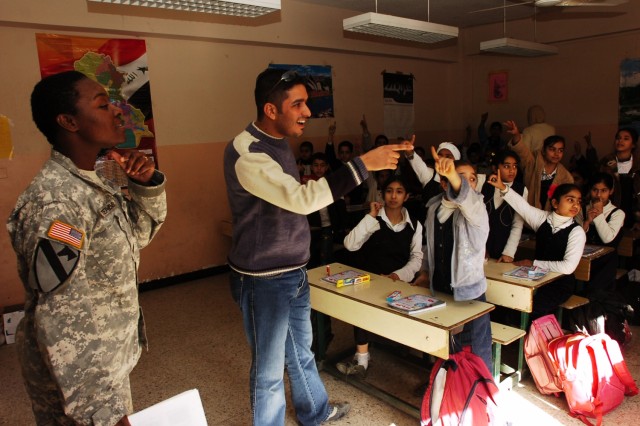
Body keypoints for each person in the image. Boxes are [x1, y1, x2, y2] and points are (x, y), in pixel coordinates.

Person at [223, 68, 410, 426]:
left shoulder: (278, 143)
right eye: (298, 104)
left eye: (306, 103)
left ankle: (315, 411)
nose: (307, 112)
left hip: (293, 271)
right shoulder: (246, 152)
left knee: (302, 353)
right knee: (269, 371)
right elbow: (301, 200)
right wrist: (362, 165)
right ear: (271, 109)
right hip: (262, 279)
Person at [6, 70, 167, 425]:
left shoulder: (95, 181)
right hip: (78, 383)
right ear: (68, 121)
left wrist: (146, 185)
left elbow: (137, 237)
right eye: (102, 104)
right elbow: (62, 315)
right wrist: (103, 412)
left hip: (105, 363)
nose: (117, 111)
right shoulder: (57, 202)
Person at [413, 148, 493, 372]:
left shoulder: (477, 210)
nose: (467, 184)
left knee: (474, 351)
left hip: (468, 293)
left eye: (472, 179)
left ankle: (477, 396)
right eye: (460, 177)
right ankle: (446, 389)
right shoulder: (433, 209)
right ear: (443, 182)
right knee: (444, 345)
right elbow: (429, 244)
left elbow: (466, 198)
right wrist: (426, 271)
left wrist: (455, 177)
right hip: (439, 287)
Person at [337, 176, 423, 377]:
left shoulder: (415, 225)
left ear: (406, 196)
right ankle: (362, 359)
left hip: (398, 280)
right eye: (389, 191)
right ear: (382, 195)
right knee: (363, 311)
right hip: (370, 280)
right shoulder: (373, 220)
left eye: (399, 191)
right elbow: (350, 244)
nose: (393, 196)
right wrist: (371, 216)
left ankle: (395, 347)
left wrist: (397, 275)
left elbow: (416, 258)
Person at [487, 174, 586, 321]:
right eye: (570, 200)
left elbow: (568, 267)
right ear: (555, 203)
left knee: (530, 308)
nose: (576, 205)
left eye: (578, 201)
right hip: (535, 279)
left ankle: (522, 340)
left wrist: (533, 263)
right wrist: (503, 187)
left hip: (559, 284)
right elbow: (523, 207)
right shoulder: (542, 219)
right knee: (504, 301)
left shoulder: (577, 232)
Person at [505, 120, 573, 210]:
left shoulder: (566, 177)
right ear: (543, 151)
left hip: (551, 218)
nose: (556, 154)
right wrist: (516, 134)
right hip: (528, 214)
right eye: (552, 149)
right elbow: (522, 151)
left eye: (560, 150)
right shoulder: (533, 162)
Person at [575, 172, 625, 294]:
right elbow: (575, 237)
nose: (598, 195)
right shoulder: (582, 209)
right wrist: (587, 222)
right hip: (582, 259)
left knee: (596, 293)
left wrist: (599, 215)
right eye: (595, 190)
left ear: (611, 191)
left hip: (605, 263)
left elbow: (607, 238)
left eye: (604, 191)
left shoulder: (618, 213)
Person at [481, 150, 527, 263]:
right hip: (481, 245)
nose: (512, 171)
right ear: (494, 168)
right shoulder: (483, 184)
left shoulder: (521, 190)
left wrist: (509, 252)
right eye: (506, 166)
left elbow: (517, 224)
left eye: (515, 167)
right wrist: (480, 247)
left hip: (503, 246)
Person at [307, 152, 348, 267]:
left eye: (322, 165)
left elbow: (341, 205)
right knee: (310, 257)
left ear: (327, 167)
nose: (319, 168)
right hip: (312, 226)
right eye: (316, 165)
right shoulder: (307, 183)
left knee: (325, 258)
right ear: (311, 167)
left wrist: (345, 226)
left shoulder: (332, 182)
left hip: (328, 226)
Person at [599, 127, 640, 230]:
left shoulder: (638, 164)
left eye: (626, 138)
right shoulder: (606, 162)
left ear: (633, 144)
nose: (620, 141)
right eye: (618, 138)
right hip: (609, 212)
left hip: (633, 213)